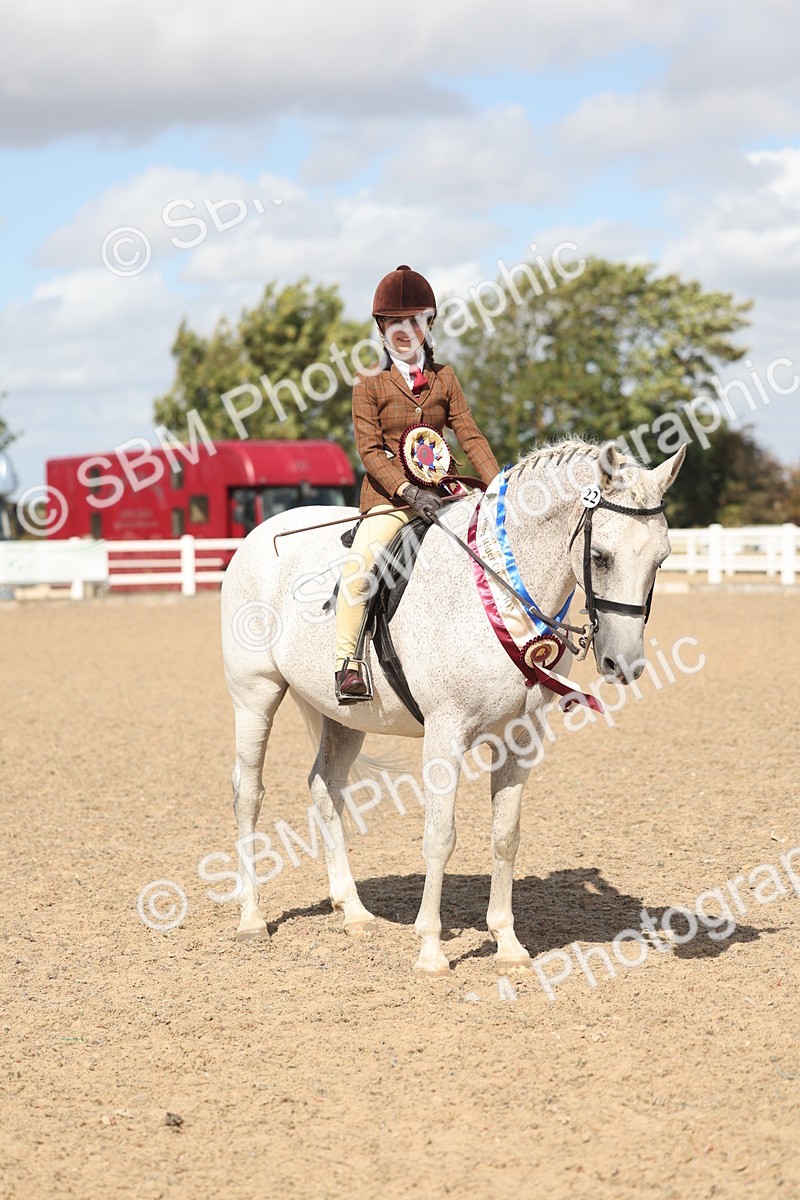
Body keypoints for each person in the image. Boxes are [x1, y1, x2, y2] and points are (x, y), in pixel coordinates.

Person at [334, 264, 500, 700]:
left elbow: (469, 433)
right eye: (395, 324)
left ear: (428, 323)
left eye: (415, 321)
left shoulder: (445, 377)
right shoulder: (368, 382)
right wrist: (408, 491)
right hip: (393, 499)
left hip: (444, 492)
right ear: (382, 328)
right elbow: (369, 451)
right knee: (360, 567)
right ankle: (347, 663)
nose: (405, 331)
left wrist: (499, 487)